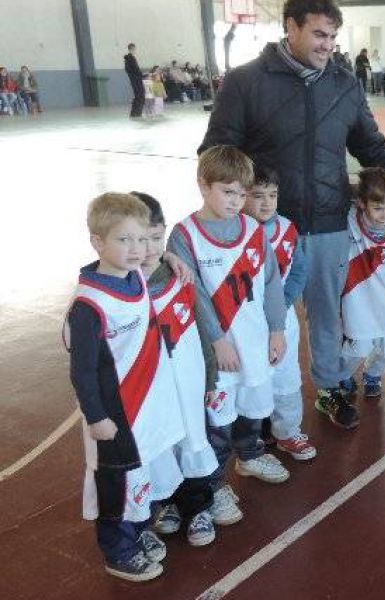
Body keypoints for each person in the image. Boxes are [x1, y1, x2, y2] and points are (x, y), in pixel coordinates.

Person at [199, 0, 385, 431]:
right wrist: (229, 207)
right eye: (320, 35)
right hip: (264, 228)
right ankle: (259, 403)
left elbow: (374, 149)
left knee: (327, 312)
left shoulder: (344, 84)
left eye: (333, 37)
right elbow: (217, 151)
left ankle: (330, 386)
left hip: (327, 222)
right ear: (291, 27)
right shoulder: (246, 82)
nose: (328, 46)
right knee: (262, 316)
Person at [167, 146, 290, 529]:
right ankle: (216, 484)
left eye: (242, 194)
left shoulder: (253, 230)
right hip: (216, 347)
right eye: (227, 192)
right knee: (217, 418)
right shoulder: (184, 235)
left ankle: (250, 455)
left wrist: (276, 328)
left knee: (254, 402)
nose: (236, 202)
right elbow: (194, 295)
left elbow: (271, 283)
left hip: (254, 339)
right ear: (203, 185)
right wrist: (218, 340)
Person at [67, 193, 183, 581]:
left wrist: (169, 256)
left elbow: (153, 258)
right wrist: (96, 417)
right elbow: (82, 371)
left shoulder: (134, 277)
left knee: (143, 476)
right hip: (115, 417)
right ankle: (117, 550)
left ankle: (137, 532)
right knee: (116, 482)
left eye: (143, 239)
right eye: (124, 240)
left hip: (146, 409)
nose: (137, 250)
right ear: (98, 242)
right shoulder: (90, 305)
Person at [131, 192, 219, 549]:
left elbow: (199, 331)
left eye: (156, 238)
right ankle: (167, 503)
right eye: (140, 239)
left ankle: (198, 506)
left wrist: (210, 378)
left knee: (192, 441)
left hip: (186, 385)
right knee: (160, 448)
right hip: (150, 393)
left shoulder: (180, 278)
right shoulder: (122, 287)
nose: (150, 248)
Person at [242, 166, 317, 460]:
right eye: (257, 196)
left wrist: (282, 304)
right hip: (245, 323)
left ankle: (287, 432)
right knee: (251, 380)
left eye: (272, 195)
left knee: (286, 376)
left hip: (281, 320)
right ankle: (250, 438)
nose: (266, 203)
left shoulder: (287, 228)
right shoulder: (235, 233)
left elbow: (299, 269)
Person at [336, 168, 385, 407]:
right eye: (377, 207)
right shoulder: (349, 218)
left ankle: (373, 375)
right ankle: (343, 374)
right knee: (357, 344)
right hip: (357, 297)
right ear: (362, 203)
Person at [124, 44, 145, 118]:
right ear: (131, 49)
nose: (135, 51)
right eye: (134, 49)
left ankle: (134, 113)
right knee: (140, 96)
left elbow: (130, 70)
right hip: (136, 80)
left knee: (138, 96)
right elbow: (136, 70)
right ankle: (137, 113)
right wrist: (143, 75)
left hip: (135, 79)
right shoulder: (131, 58)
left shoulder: (128, 59)